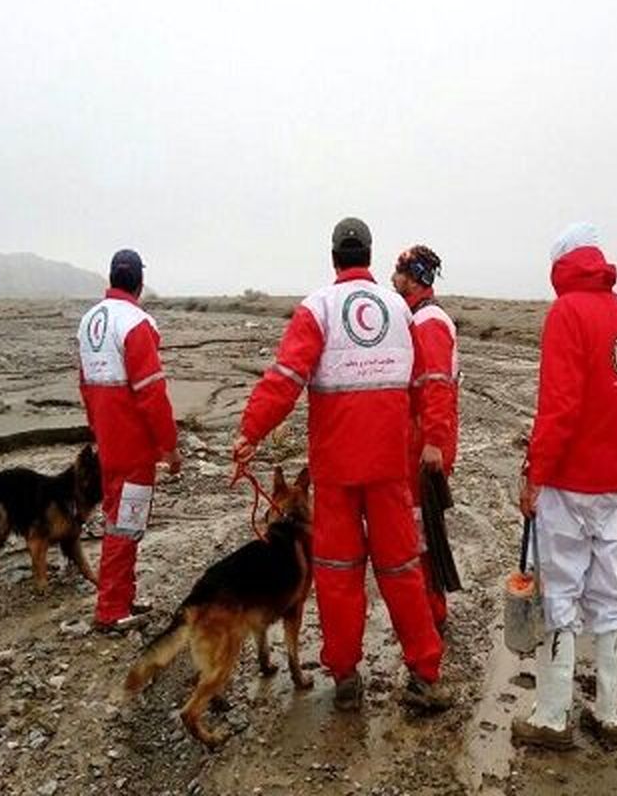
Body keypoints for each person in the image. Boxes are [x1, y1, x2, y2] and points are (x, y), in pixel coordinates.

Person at [233, 217, 450, 712]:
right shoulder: (400, 309)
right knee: (401, 570)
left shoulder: (319, 308)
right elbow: (427, 384)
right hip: (390, 467)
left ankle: (345, 675)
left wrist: (250, 433)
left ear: (334, 256)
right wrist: (434, 438)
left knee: (337, 575)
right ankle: (425, 673)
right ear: (369, 256)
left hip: (334, 472)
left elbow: (285, 379)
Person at [513, 223, 617, 752]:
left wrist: (537, 474)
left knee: (562, 594)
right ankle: (608, 714)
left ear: (560, 267)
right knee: (609, 592)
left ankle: (552, 718)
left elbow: (560, 408)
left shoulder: (566, 313)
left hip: (568, 485)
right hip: (609, 483)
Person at [77, 249, 181, 633]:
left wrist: (96, 432)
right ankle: (112, 608)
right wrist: (169, 446)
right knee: (126, 523)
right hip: (134, 444)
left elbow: (85, 385)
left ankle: (121, 596)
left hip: (108, 437)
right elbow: (151, 392)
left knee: (116, 517)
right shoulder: (137, 323)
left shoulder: (89, 321)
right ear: (139, 282)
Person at [390, 244, 460, 629]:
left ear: (413, 277)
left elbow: (436, 385)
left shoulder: (428, 321)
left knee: (422, 530)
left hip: (425, 444)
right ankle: (430, 609)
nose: (393, 277)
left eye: (398, 271)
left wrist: (433, 440)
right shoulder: (420, 317)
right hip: (422, 439)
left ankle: (431, 613)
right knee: (421, 527)